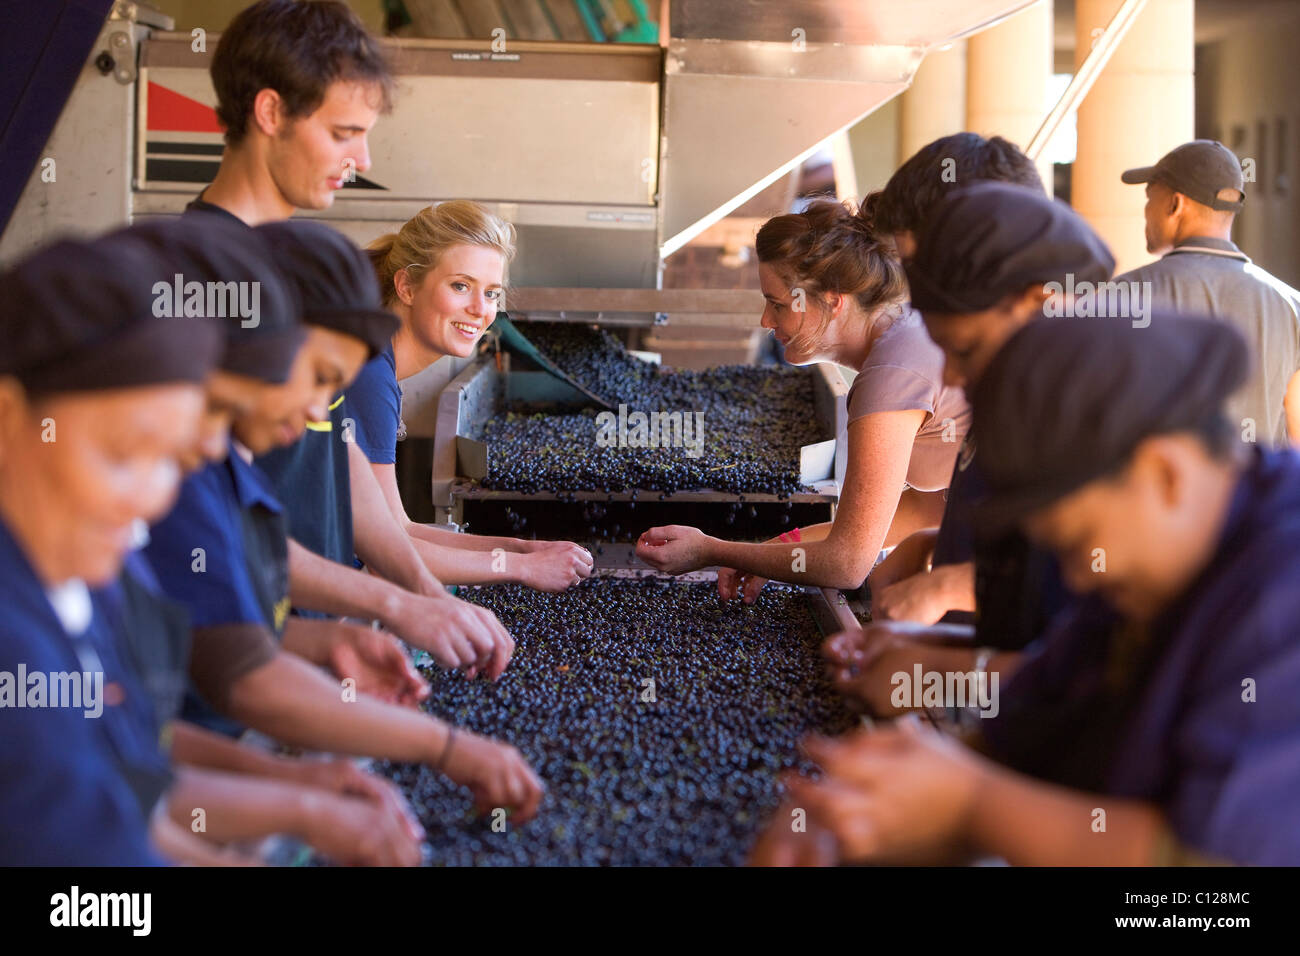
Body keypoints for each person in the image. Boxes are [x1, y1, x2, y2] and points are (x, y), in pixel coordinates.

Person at [754, 315, 1300, 867]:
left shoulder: (1282, 586)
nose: (1080, 578)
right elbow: (1040, 714)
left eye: (1078, 541)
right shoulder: (1149, 566)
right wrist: (867, 800)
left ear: (1165, 474)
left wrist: (969, 804)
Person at [141, 218, 544, 821]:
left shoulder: (227, 464)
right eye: (316, 379)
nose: (316, 410)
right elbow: (232, 677)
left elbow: (221, 643)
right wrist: (441, 742)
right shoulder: (169, 478)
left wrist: (336, 638)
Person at [183, 0, 514, 667]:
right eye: (343, 133)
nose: (361, 158)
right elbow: (208, 522)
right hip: (234, 668)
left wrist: (426, 596)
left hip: (314, 645)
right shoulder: (197, 284)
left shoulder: (297, 270)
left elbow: (346, 467)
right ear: (272, 114)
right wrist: (397, 605)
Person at [823, 182, 1117, 719]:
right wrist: (934, 551)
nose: (954, 375)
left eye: (964, 348)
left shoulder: (1105, 422)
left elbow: (1104, 627)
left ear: (1039, 302)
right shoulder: (1022, 405)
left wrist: (950, 594)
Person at [0, 231, 214, 863]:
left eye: (171, 460)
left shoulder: (84, 589)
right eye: (123, 455)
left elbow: (124, 807)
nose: (151, 500)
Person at [635, 199, 971, 597]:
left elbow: (847, 564)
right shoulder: (908, 333)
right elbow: (927, 509)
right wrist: (776, 548)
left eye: (777, 303)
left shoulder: (890, 377)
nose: (765, 320)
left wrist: (713, 550)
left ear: (832, 299)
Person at [353, 201, 593, 589]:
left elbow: (399, 528)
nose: (480, 310)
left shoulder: (377, 365)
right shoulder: (369, 374)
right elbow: (384, 548)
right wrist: (520, 569)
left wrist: (520, 549)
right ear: (407, 286)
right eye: (460, 286)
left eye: (492, 293)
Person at [857, 132, 1046, 625]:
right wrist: (933, 546)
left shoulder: (1083, 376)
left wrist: (951, 585)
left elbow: (1117, 569)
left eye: (923, 269)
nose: (917, 299)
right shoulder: (1001, 360)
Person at [1116, 139, 1300, 446]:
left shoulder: (1120, 298)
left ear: (1175, 205)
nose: (1145, 212)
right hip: (1254, 493)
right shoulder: (1291, 306)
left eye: (1150, 198)